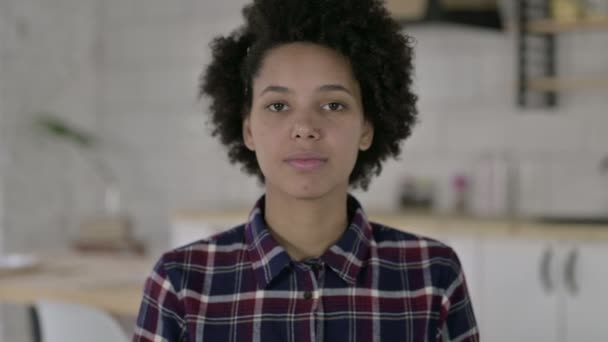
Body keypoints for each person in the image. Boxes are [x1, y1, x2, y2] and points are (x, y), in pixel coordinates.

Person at [132, 0, 479, 341]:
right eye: (278, 105)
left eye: (333, 104)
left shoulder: (433, 275)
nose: (304, 127)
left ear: (366, 129)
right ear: (248, 130)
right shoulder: (180, 282)